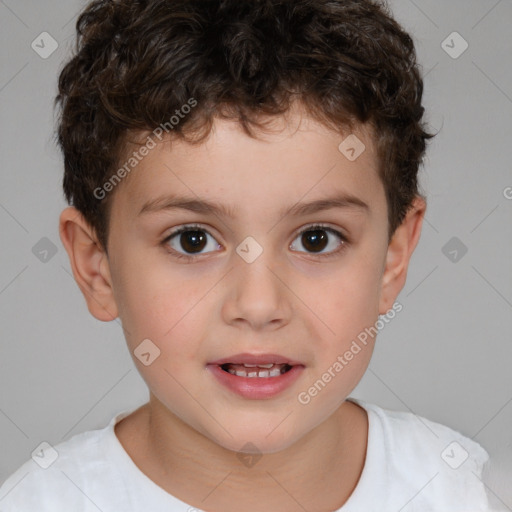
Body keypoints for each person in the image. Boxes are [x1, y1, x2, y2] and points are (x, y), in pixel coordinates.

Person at [0, 0, 493, 510]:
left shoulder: (455, 490)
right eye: (192, 240)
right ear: (97, 267)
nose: (258, 305)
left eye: (317, 239)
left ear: (393, 258)